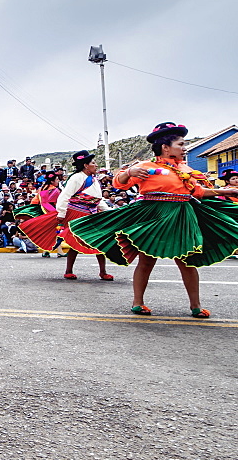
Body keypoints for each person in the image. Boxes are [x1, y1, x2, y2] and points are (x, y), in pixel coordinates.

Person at [70, 123, 238, 317]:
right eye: (181, 144)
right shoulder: (146, 167)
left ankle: (196, 305)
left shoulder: (184, 168)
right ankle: (137, 302)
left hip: (182, 216)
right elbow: (119, 183)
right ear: (166, 147)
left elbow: (198, 192)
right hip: (155, 216)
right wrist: (128, 173)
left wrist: (228, 191)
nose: (184, 148)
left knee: (187, 262)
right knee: (147, 261)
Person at [21, 152, 114, 280]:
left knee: (98, 241)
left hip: (92, 213)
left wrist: (108, 211)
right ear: (86, 165)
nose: (96, 165)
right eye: (93, 163)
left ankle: (103, 271)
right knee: (75, 242)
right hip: (78, 213)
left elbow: (98, 199)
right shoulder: (76, 178)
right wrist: (61, 213)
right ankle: (69, 270)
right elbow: (65, 196)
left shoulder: (94, 180)